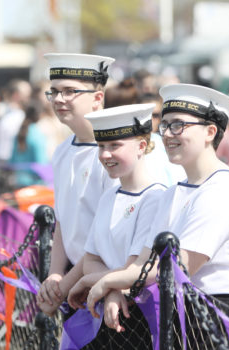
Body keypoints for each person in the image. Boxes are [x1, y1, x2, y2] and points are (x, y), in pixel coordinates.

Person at [84, 83, 229, 330]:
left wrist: (100, 282)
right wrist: (107, 283)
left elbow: (178, 267)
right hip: (186, 312)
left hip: (226, 316)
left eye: (178, 125)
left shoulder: (223, 189)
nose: (166, 133)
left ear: (210, 131)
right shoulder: (173, 192)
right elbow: (144, 262)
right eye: (164, 125)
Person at [66, 104, 166, 347]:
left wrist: (93, 282)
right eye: (101, 146)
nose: (105, 155)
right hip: (104, 309)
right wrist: (108, 288)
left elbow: (135, 268)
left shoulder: (155, 197)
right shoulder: (110, 196)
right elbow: (90, 259)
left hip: (138, 318)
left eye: (114, 146)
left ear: (142, 146)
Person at [36, 53, 117, 316]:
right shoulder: (62, 151)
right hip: (74, 283)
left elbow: (103, 236)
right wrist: (55, 276)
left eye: (70, 91)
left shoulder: (112, 154)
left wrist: (61, 289)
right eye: (55, 92)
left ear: (97, 98)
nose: (59, 99)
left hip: (105, 285)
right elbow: (63, 222)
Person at [9, 102, 48, 187]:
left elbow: (12, 161)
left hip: (18, 182)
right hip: (34, 185)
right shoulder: (38, 135)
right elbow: (40, 164)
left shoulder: (20, 132)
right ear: (40, 115)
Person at [0, 79, 32, 162]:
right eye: (27, 95)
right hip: (12, 165)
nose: (30, 98)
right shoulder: (15, 116)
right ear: (16, 95)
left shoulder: (9, 114)